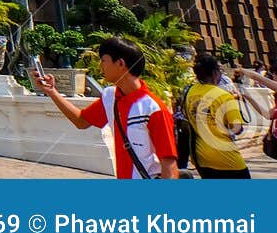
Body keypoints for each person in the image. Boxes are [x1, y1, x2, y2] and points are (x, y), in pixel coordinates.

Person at [36, 36, 178, 179]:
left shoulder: (153, 108)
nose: (100, 66)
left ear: (121, 63)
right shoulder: (110, 97)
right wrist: (52, 91)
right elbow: (81, 121)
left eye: (104, 60)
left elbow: (169, 165)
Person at [182, 54, 248, 178]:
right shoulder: (224, 96)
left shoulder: (189, 92)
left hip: (200, 157)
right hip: (226, 158)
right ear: (215, 72)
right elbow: (237, 129)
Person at [234, 60, 277, 161]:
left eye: (274, 73)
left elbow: (258, 78)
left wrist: (241, 70)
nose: (273, 76)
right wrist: (249, 98)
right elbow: (268, 115)